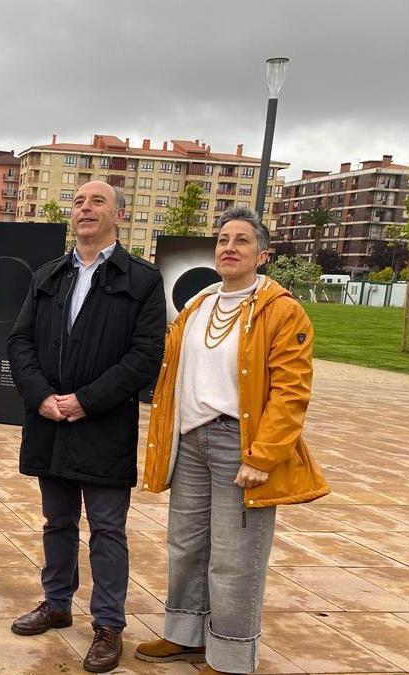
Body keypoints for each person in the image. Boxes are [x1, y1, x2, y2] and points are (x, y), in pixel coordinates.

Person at [135, 206, 329, 674]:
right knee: (186, 546)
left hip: (239, 445)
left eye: (242, 240)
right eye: (223, 240)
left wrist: (263, 456)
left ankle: (231, 654)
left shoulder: (282, 311)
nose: (229, 248)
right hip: (190, 441)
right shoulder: (198, 306)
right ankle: (184, 634)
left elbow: (291, 392)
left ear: (262, 255)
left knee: (235, 555)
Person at [6, 180, 166, 673]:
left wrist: (85, 401)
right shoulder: (48, 275)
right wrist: (42, 397)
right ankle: (56, 603)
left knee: (107, 529)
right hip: (50, 422)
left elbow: (146, 355)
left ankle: (108, 625)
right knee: (57, 522)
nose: (85, 208)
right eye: (78, 201)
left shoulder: (142, 279)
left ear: (119, 215)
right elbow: (20, 341)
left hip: (104, 427)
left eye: (97, 201)